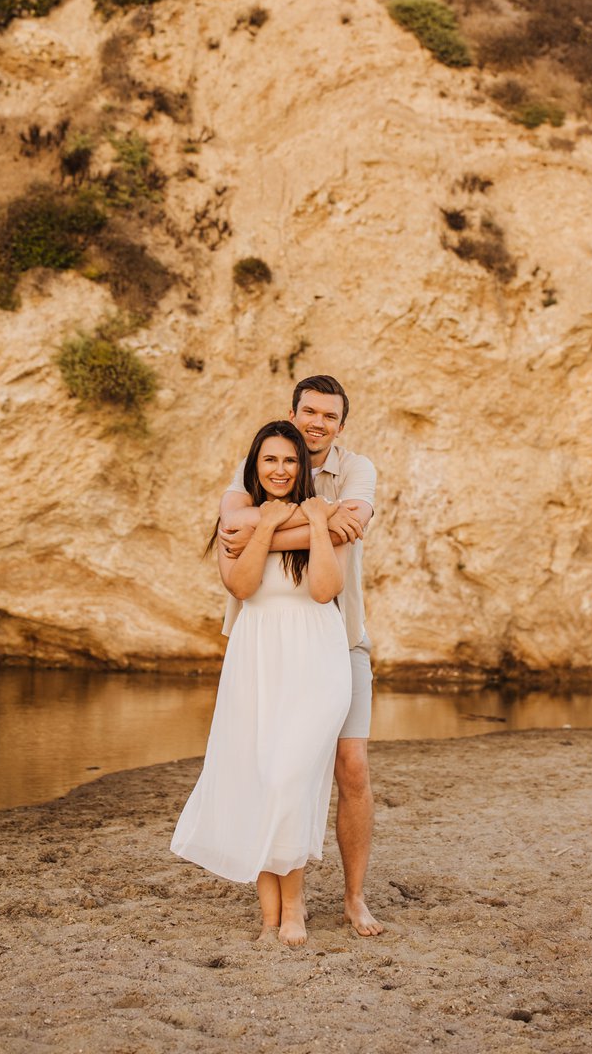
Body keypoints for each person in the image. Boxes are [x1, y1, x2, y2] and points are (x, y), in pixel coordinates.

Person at [171, 420, 351, 946]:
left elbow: (325, 590)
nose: (280, 469)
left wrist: (314, 521)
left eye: (290, 460)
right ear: (255, 465)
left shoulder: (325, 515)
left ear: (302, 467)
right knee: (261, 780)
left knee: (285, 780)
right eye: (270, 460)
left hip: (317, 663)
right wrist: (269, 524)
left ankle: (294, 908)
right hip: (257, 664)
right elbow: (242, 585)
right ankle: (270, 914)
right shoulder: (236, 527)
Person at [217, 374, 383, 936]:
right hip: (266, 648)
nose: (318, 422)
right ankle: (293, 900)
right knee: (277, 771)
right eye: (309, 411)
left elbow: (345, 531)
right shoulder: (261, 465)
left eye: (329, 416)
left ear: (341, 425)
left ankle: (354, 898)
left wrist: (270, 527)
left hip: (340, 638)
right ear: (293, 414)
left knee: (352, 765)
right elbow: (232, 523)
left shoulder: (356, 469)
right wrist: (316, 521)